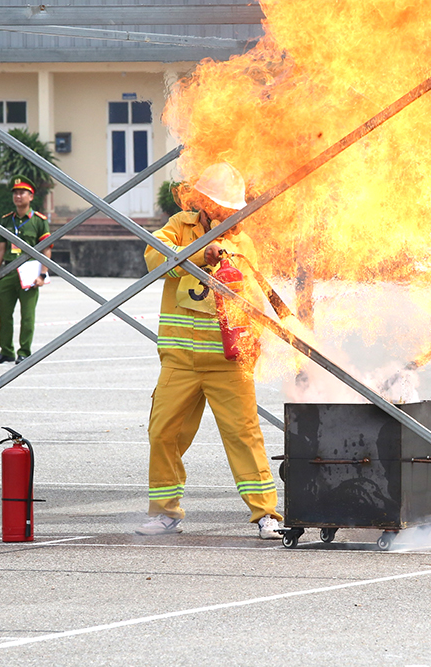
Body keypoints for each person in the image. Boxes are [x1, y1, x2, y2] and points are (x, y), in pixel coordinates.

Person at [137, 162, 284, 539]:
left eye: (229, 207)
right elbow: (155, 260)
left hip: (228, 361)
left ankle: (266, 514)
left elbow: (251, 300)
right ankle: (165, 513)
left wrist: (255, 346)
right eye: (217, 205)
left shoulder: (242, 241)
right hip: (180, 361)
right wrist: (202, 253)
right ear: (201, 201)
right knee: (163, 433)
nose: (224, 214)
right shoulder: (178, 227)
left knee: (244, 435)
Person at [0, 176, 51, 365]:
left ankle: (24, 351)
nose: (18, 196)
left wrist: (42, 274)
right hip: (8, 272)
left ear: (31, 196)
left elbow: (46, 248)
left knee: (27, 316)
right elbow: (1, 248)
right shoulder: (7, 220)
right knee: (5, 315)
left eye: (22, 192)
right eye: (15, 193)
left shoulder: (39, 221)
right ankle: (6, 351)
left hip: (29, 274)